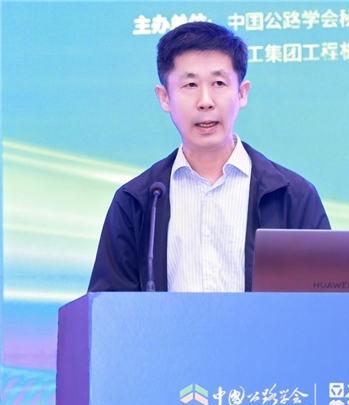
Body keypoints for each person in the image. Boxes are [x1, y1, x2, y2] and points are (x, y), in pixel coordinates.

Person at [88, 22, 330, 293]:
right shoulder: (138, 201)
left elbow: (325, 301)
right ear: (164, 97)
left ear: (242, 93)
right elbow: (108, 306)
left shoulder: (291, 196)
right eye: (190, 84)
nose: (205, 101)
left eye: (218, 83)